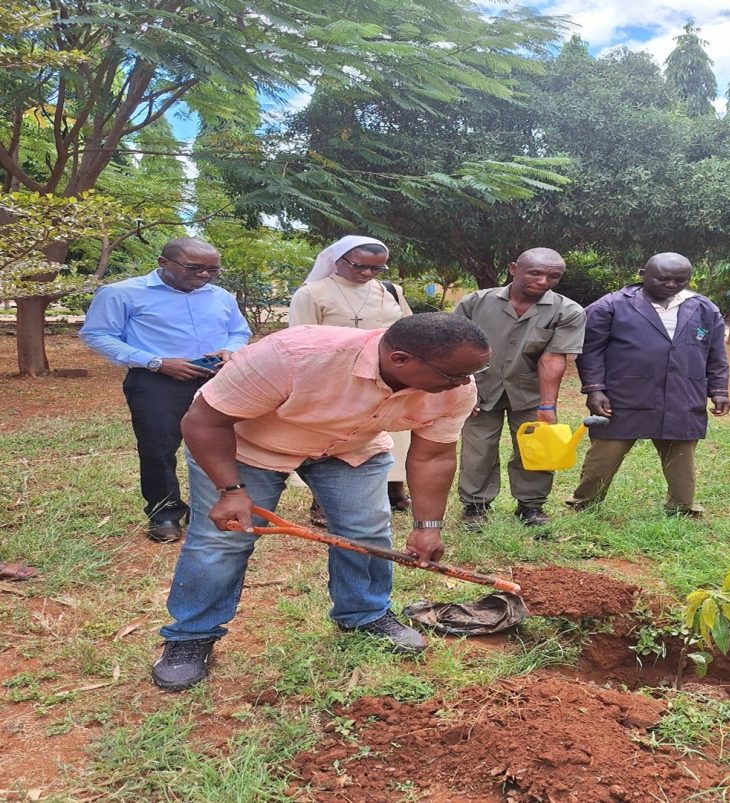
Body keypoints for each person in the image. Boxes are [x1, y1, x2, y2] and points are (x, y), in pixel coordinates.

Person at [151, 313, 489, 691]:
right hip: (248, 447)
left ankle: (364, 614)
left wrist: (428, 527)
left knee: (367, 533)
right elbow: (204, 421)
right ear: (400, 360)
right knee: (222, 542)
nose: (462, 384)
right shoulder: (294, 355)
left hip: (350, 448)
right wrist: (231, 492)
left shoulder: (457, 387)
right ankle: (190, 636)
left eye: (470, 375)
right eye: (452, 376)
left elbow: (433, 456)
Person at [79, 238, 251, 543]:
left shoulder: (221, 296)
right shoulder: (123, 293)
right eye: (194, 267)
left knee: (225, 445)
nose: (204, 276)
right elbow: (98, 334)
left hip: (216, 378)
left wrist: (231, 349)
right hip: (156, 381)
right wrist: (156, 362)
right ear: (163, 262)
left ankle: (219, 508)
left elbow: (239, 330)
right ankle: (165, 514)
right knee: (158, 450)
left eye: (212, 270)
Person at [566, 253, 730, 516]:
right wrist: (594, 389)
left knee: (681, 456)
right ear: (643, 274)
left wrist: (719, 390)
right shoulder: (612, 305)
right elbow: (590, 350)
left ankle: (682, 506)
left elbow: (716, 353)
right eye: (663, 278)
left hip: (683, 394)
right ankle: (584, 502)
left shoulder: (704, 308)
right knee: (605, 453)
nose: (671, 284)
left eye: (680, 280)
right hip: (624, 394)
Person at [452, 247, 585, 528]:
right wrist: (464, 387)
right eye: (535, 273)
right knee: (478, 448)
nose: (543, 282)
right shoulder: (475, 303)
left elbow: (553, 358)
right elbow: (455, 347)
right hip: (480, 386)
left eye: (553, 276)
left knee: (536, 447)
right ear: (514, 268)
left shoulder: (567, 310)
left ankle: (531, 507)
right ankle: (476, 507)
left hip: (530, 391)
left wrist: (547, 406)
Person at [289, 236, 414, 517]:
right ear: (338, 260)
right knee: (337, 438)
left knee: (393, 433)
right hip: (337, 380)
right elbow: (300, 340)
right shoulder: (312, 293)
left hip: (388, 378)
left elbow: (409, 328)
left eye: (376, 269)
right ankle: (322, 502)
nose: (367, 274)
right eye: (359, 266)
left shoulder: (391, 291)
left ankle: (394, 491)